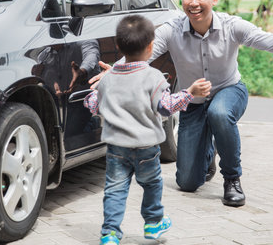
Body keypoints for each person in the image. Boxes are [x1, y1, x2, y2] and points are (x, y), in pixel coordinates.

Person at [90, 0, 273, 208]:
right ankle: (207, 152)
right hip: (193, 102)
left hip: (229, 91)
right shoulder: (172, 30)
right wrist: (113, 73)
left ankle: (232, 179)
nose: (193, 3)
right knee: (188, 182)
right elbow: (142, 54)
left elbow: (267, 40)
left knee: (219, 114)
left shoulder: (232, 26)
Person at [84, 14, 210, 245]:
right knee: (151, 184)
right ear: (151, 47)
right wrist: (190, 91)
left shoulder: (108, 78)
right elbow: (166, 107)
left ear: (119, 46)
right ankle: (153, 224)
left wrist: (94, 92)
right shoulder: (153, 76)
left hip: (116, 148)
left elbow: (93, 106)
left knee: (114, 190)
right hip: (146, 148)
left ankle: (110, 234)